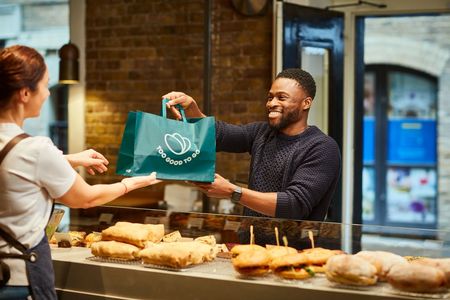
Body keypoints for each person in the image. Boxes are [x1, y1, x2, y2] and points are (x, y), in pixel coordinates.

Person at [0, 45, 160, 299]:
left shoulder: (27, 151)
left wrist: (70, 159)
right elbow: (86, 198)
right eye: (45, 85)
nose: (47, 94)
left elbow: (13, 168)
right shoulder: (37, 149)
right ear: (24, 93)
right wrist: (130, 184)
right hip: (20, 280)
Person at [163, 68, 341, 245]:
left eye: (282, 97)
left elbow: (293, 206)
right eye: (270, 97)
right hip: (250, 248)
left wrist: (233, 192)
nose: (271, 103)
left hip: (294, 255)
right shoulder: (261, 133)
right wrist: (192, 109)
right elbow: (219, 134)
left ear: (306, 103)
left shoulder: (322, 148)